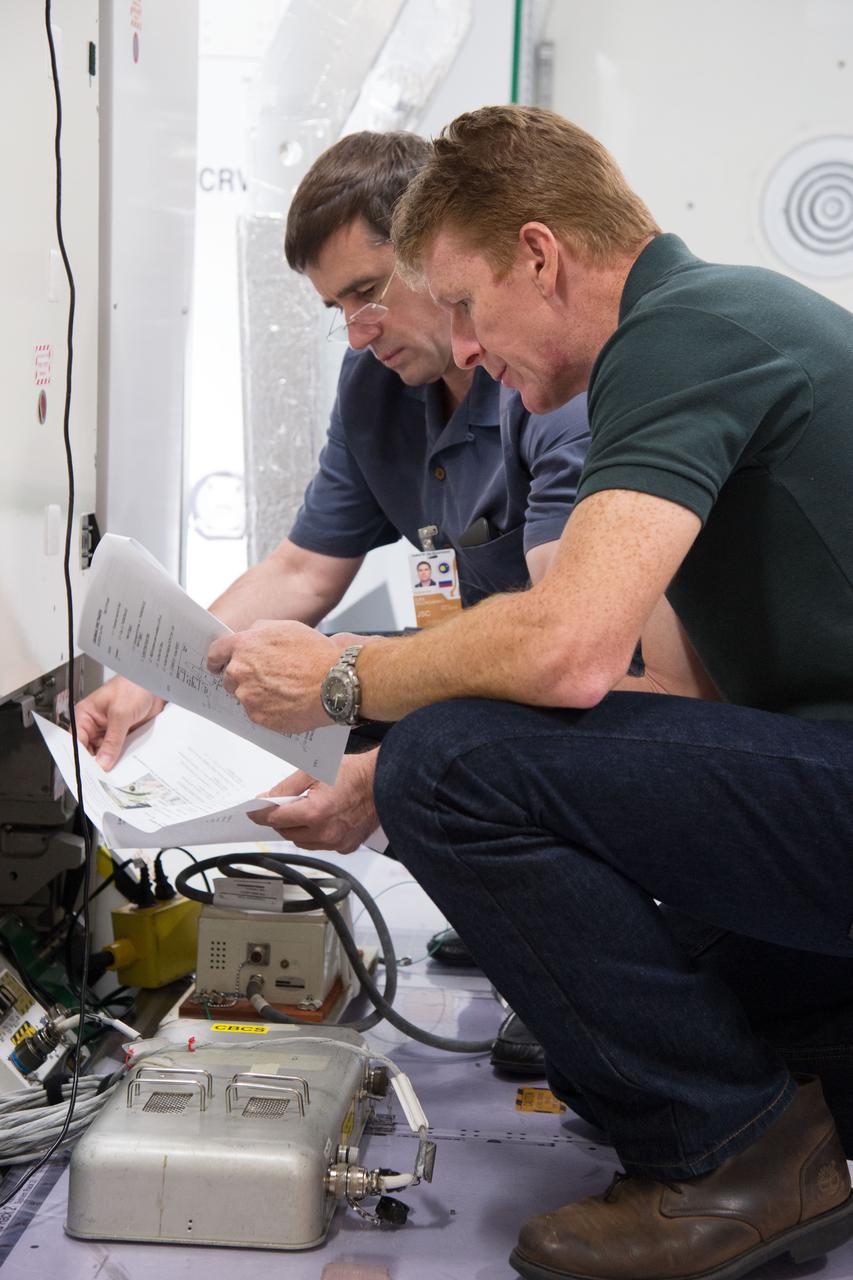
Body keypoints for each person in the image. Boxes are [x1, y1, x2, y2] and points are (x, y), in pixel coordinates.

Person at [207, 106, 853, 1280]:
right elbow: (686, 694)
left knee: (443, 761)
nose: (458, 347)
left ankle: (734, 1154)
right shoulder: (704, 327)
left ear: (541, 255)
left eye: (458, 303)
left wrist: (347, 678)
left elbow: (575, 653)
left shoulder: (682, 335)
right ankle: (782, 1093)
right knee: (673, 1014)